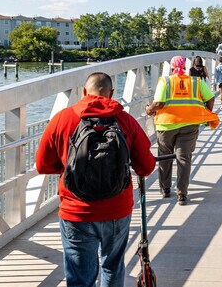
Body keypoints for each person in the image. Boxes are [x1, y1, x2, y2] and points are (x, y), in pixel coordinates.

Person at [36, 72, 156, 287]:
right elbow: (146, 167)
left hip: (76, 211)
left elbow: (42, 164)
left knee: (80, 277)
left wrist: (69, 169)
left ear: (84, 92)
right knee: (112, 266)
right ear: (111, 94)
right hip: (116, 210)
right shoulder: (125, 120)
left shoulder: (63, 119)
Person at [145, 55, 219, 205]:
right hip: (189, 125)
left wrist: (149, 109)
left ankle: (165, 189)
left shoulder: (165, 81)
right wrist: (206, 112)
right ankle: (182, 194)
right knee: (184, 158)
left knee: (165, 156)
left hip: (167, 125)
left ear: (172, 67)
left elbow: (158, 103)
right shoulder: (195, 81)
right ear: (185, 66)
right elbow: (210, 98)